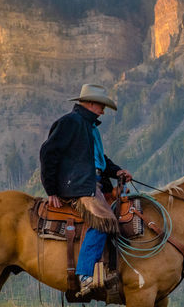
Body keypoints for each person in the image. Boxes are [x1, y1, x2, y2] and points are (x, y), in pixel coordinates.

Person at [39, 83, 132, 295]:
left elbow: (99, 161)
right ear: (90, 103)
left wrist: (117, 172)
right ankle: (85, 274)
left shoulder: (90, 129)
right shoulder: (70, 122)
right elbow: (48, 153)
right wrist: (51, 190)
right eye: (101, 105)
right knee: (104, 220)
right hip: (79, 187)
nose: (103, 110)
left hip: (93, 183)